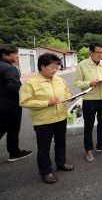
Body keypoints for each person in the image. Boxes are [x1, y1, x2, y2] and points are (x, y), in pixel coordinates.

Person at [19, 53, 74, 184]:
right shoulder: (30, 83)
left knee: (61, 142)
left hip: (61, 117)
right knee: (44, 148)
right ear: (42, 66)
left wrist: (70, 97)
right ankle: (46, 172)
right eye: (52, 67)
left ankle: (61, 162)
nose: (55, 70)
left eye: (57, 67)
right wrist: (46, 103)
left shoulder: (59, 80)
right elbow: (24, 102)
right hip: (44, 120)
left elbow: (65, 93)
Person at [73, 42, 102, 162]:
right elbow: (76, 82)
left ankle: (101, 144)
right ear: (91, 52)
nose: (100, 55)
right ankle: (89, 150)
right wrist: (89, 83)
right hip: (90, 99)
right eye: (97, 52)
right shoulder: (82, 65)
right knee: (89, 125)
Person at [0, 45, 32, 162]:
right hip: (10, 105)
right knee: (13, 130)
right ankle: (14, 153)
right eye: (14, 54)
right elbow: (14, 87)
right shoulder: (9, 68)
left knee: (1, 128)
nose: (16, 56)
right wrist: (27, 98)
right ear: (4, 55)